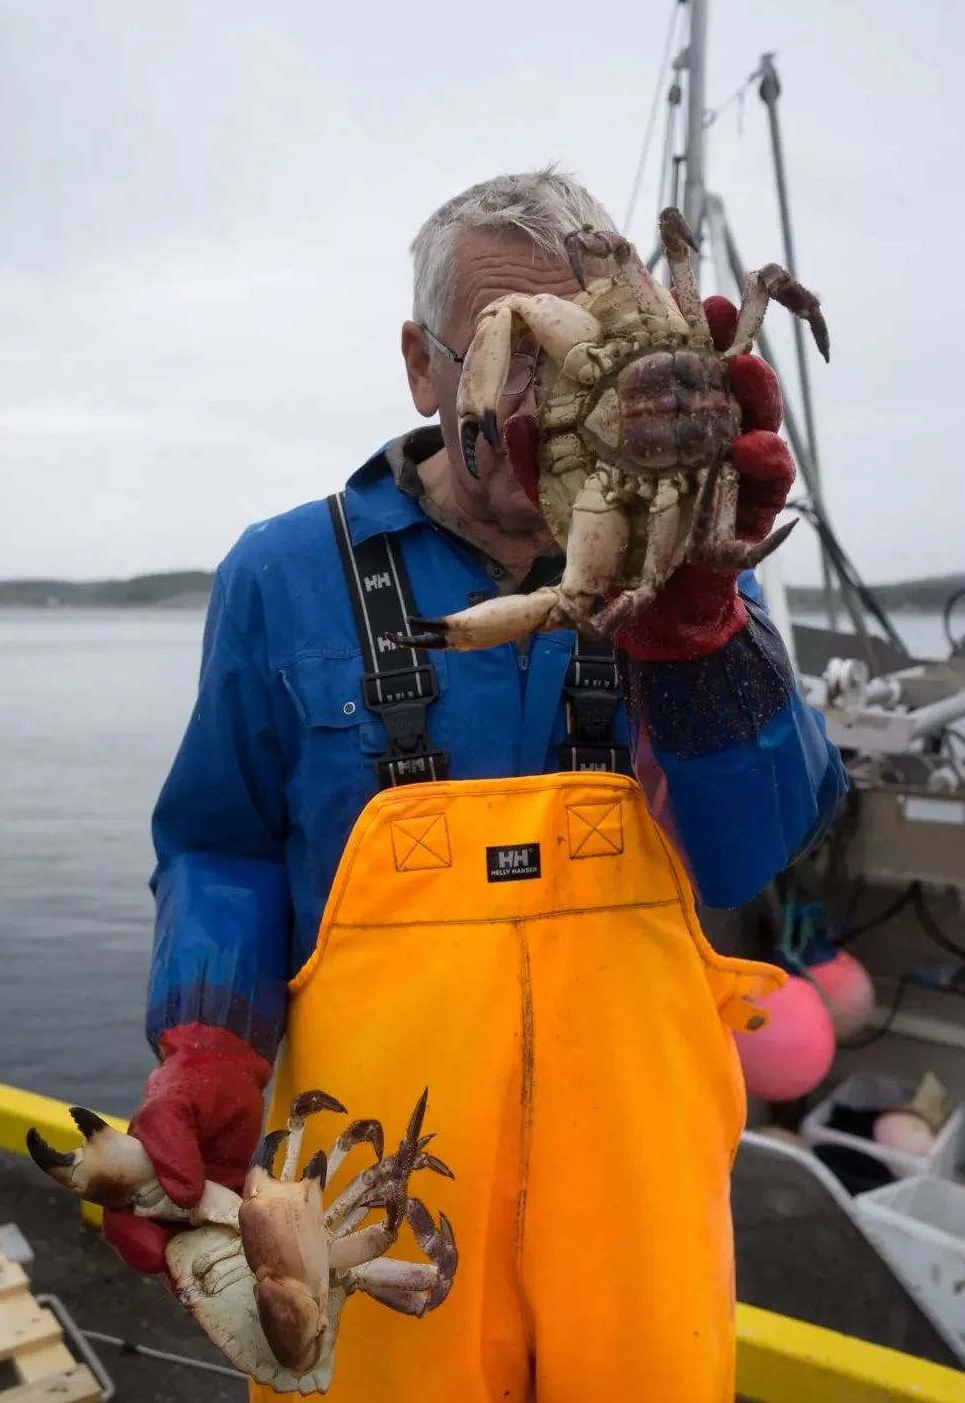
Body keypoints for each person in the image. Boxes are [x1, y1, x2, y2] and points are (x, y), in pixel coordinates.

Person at [104, 170, 846, 1401]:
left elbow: (746, 856)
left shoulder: (685, 553)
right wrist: (208, 1044)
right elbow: (221, 846)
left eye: (572, 367)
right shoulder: (283, 575)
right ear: (419, 364)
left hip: (639, 1197)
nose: (534, 410)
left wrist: (704, 634)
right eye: (504, 356)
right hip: (370, 1191)